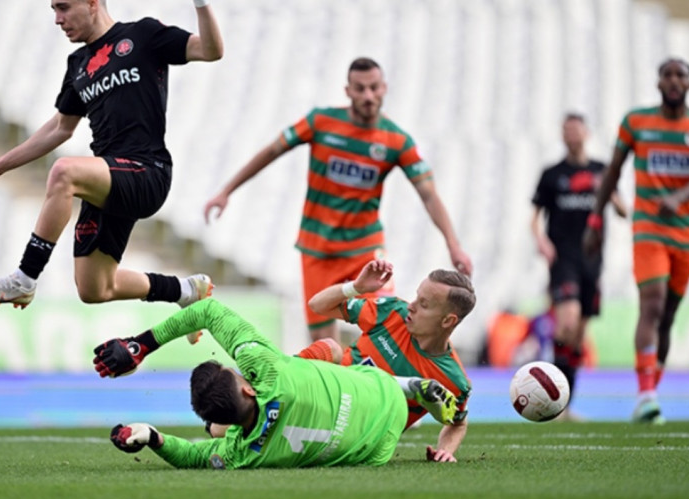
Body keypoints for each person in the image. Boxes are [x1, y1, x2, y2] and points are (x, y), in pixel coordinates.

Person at [0, 0, 223, 321]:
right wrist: (1, 165)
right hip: (109, 179)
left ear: (92, 3)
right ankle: (186, 291)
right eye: (53, 10)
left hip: (147, 171)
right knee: (94, 289)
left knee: (65, 172)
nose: (57, 19)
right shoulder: (77, 65)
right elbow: (60, 128)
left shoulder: (142, 35)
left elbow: (211, 51)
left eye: (63, 8)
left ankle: (24, 277)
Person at [202, 57, 472, 344]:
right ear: (348, 91)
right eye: (360, 88)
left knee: (390, 321)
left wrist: (453, 245)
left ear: (384, 88)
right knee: (323, 343)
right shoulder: (321, 121)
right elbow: (272, 151)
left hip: (365, 248)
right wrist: (226, 191)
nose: (368, 96)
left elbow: (428, 194)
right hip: (317, 248)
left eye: (374, 88)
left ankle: (400, 384)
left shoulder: (396, 140)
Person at [93, 298, 458, 469]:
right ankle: (411, 386)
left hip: (378, 449)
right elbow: (207, 310)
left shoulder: (241, 455)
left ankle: (214, 425)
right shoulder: (266, 370)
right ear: (248, 387)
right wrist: (139, 346)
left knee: (218, 433)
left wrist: (154, 438)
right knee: (328, 350)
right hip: (383, 390)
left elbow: (193, 457)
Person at [584, 57, 689, 424]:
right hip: (648, 228)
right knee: (653, 304)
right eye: (667, 75)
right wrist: (595, 217)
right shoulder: (637, 122)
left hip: (687, 234)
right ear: (658, 82)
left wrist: (677, 198)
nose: (674, 81)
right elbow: (613, 171)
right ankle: (646, 395)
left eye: (681, 75)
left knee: (668, 317)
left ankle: (649, 396)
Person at [304, 259, 475, 462]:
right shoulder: (393, 313)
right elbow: (317, 305)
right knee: (330, 349)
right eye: (416, 297)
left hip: (359, 436)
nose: (411, 306)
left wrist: (445, 450)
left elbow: (457, 423)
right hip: (326, 398)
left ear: (447, 321)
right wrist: (356, 287)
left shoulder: (452, 379)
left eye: (424, 304)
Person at [530, 113, 628, 420]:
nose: (572, 134)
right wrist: (541, 241)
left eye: (576, 129)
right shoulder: (552, 174)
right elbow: (534, 216)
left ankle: (565, 404)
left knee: (578, 336)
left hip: (592, 262)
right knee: (566, 325)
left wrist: (614, 196)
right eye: (567, 130)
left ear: (586, 132)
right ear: (562, 135)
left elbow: (623, 209)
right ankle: (553, 399)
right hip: (563, 260)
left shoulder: (602, 171)